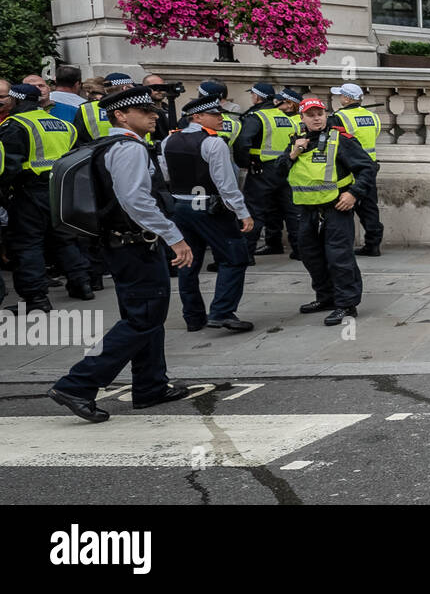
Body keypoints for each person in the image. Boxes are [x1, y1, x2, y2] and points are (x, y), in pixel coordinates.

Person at [46, 85, 195, 423]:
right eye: (144, 111)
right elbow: (136, 200)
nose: (153, 114)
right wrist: (175, 238)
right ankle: (77, 384)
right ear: (121, 114)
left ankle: (150, 386)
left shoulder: (115, 145)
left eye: (153, 109)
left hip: (125, 245)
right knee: (142, 319)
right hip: (135, 245)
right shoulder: (128, 149)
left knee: (147, 318)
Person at [158, 95, 255, 333]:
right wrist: (243, 212)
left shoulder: (169, 140)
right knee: (235, 256)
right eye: (215, 114)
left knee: (188, 262)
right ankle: (222, 312)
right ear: (197, 117)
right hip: (208, 208)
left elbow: (164, 174)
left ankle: (193, 317)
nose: (221, 118)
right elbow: (226, 183)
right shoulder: (213, 143)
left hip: (180, 206)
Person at [275, 97, 376, 325]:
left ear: (326, 114)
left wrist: (354, 194)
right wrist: (293, 153)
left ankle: (346, 304)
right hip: (307, 209)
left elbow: (368, 167)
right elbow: (278, 172)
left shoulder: (340, 139)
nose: (316, 118)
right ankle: (326, 297)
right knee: (311, 256)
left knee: (339, 257)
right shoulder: (296, 141)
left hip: (336, 208)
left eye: (319, 113)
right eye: (310, 114)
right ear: (302, 118)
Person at [0, 83, 94, 308]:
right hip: (60, 189)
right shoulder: (62, 125)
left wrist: (4, 192)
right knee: (63, 238)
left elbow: (8, 167)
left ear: (17, 100)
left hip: (29, 191)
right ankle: (82, 284)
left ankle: (36, 298)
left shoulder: (16, 124)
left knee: (27, 243)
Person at [235, 84, 302, 259]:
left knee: (254, 211)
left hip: (262, 170)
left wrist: (243, 162)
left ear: (257, 97)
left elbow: (243, 142)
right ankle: (298, 249)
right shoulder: (284, 116)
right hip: (285, 168)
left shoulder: (257, 117)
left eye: (253, 96)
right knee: (290, 211)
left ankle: (246, 254)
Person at [328, 82, 384, 256]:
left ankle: (344, 245)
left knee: (344, 206)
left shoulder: (339, 117)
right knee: (369, 208)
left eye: (341, 95)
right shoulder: (372, 116)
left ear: (346, 98)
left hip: (349, 168)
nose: (339, 98)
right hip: (370, 166)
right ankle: (373, 244)